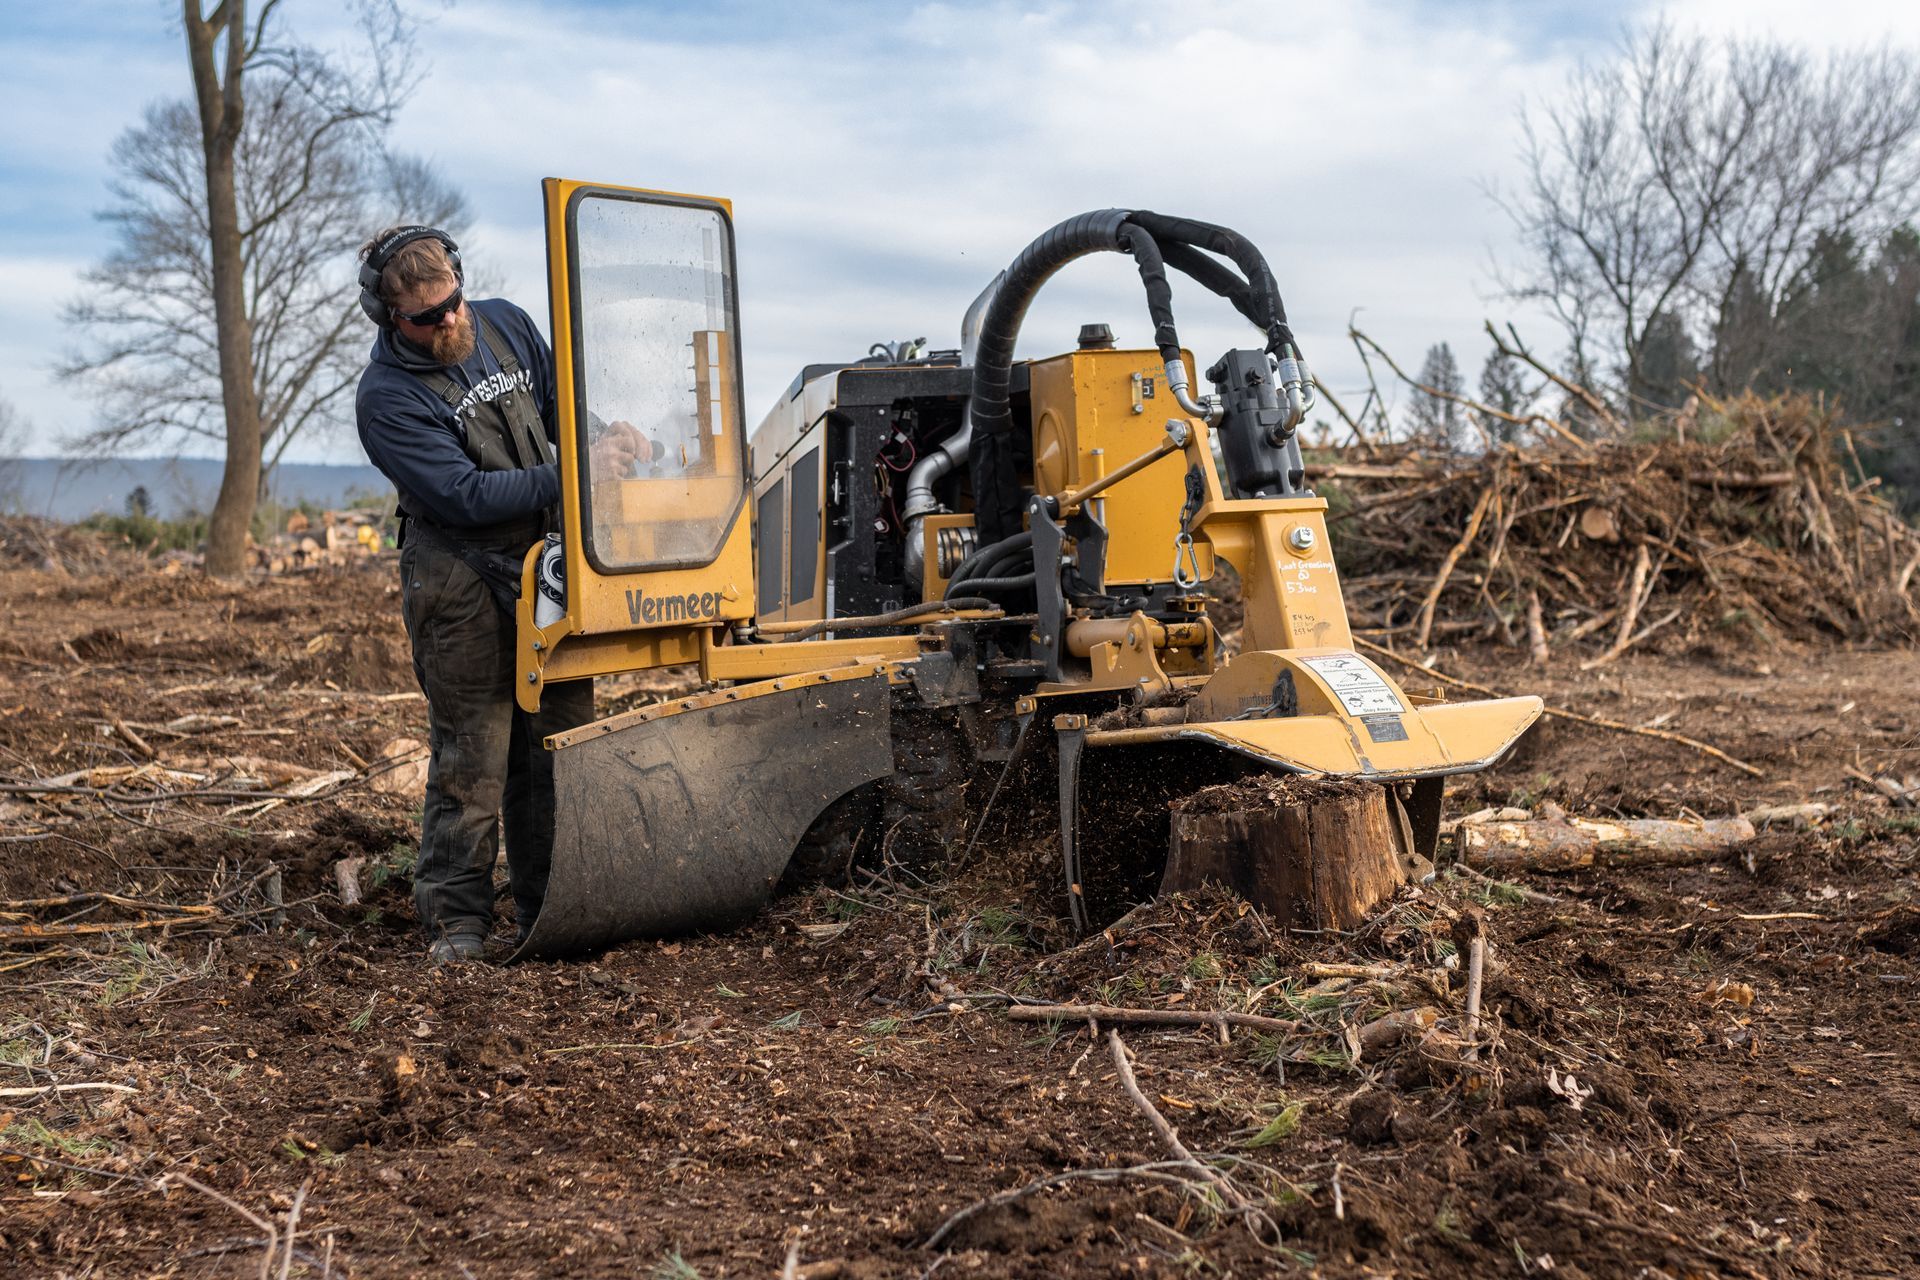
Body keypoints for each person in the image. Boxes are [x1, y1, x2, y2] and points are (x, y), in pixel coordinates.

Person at [353, 225, 643, 965]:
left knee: (559, 740)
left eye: (451, 303)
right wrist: (581, 474)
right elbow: (466, 493)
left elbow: (560, 408)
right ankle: (457, 923)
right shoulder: (385, 397)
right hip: (456, 575)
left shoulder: (507, 323)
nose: (448, 322)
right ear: (390, 317)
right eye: (425, 317)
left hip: (540, 563)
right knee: (474, 753)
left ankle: (554, 904)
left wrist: (610, 439)